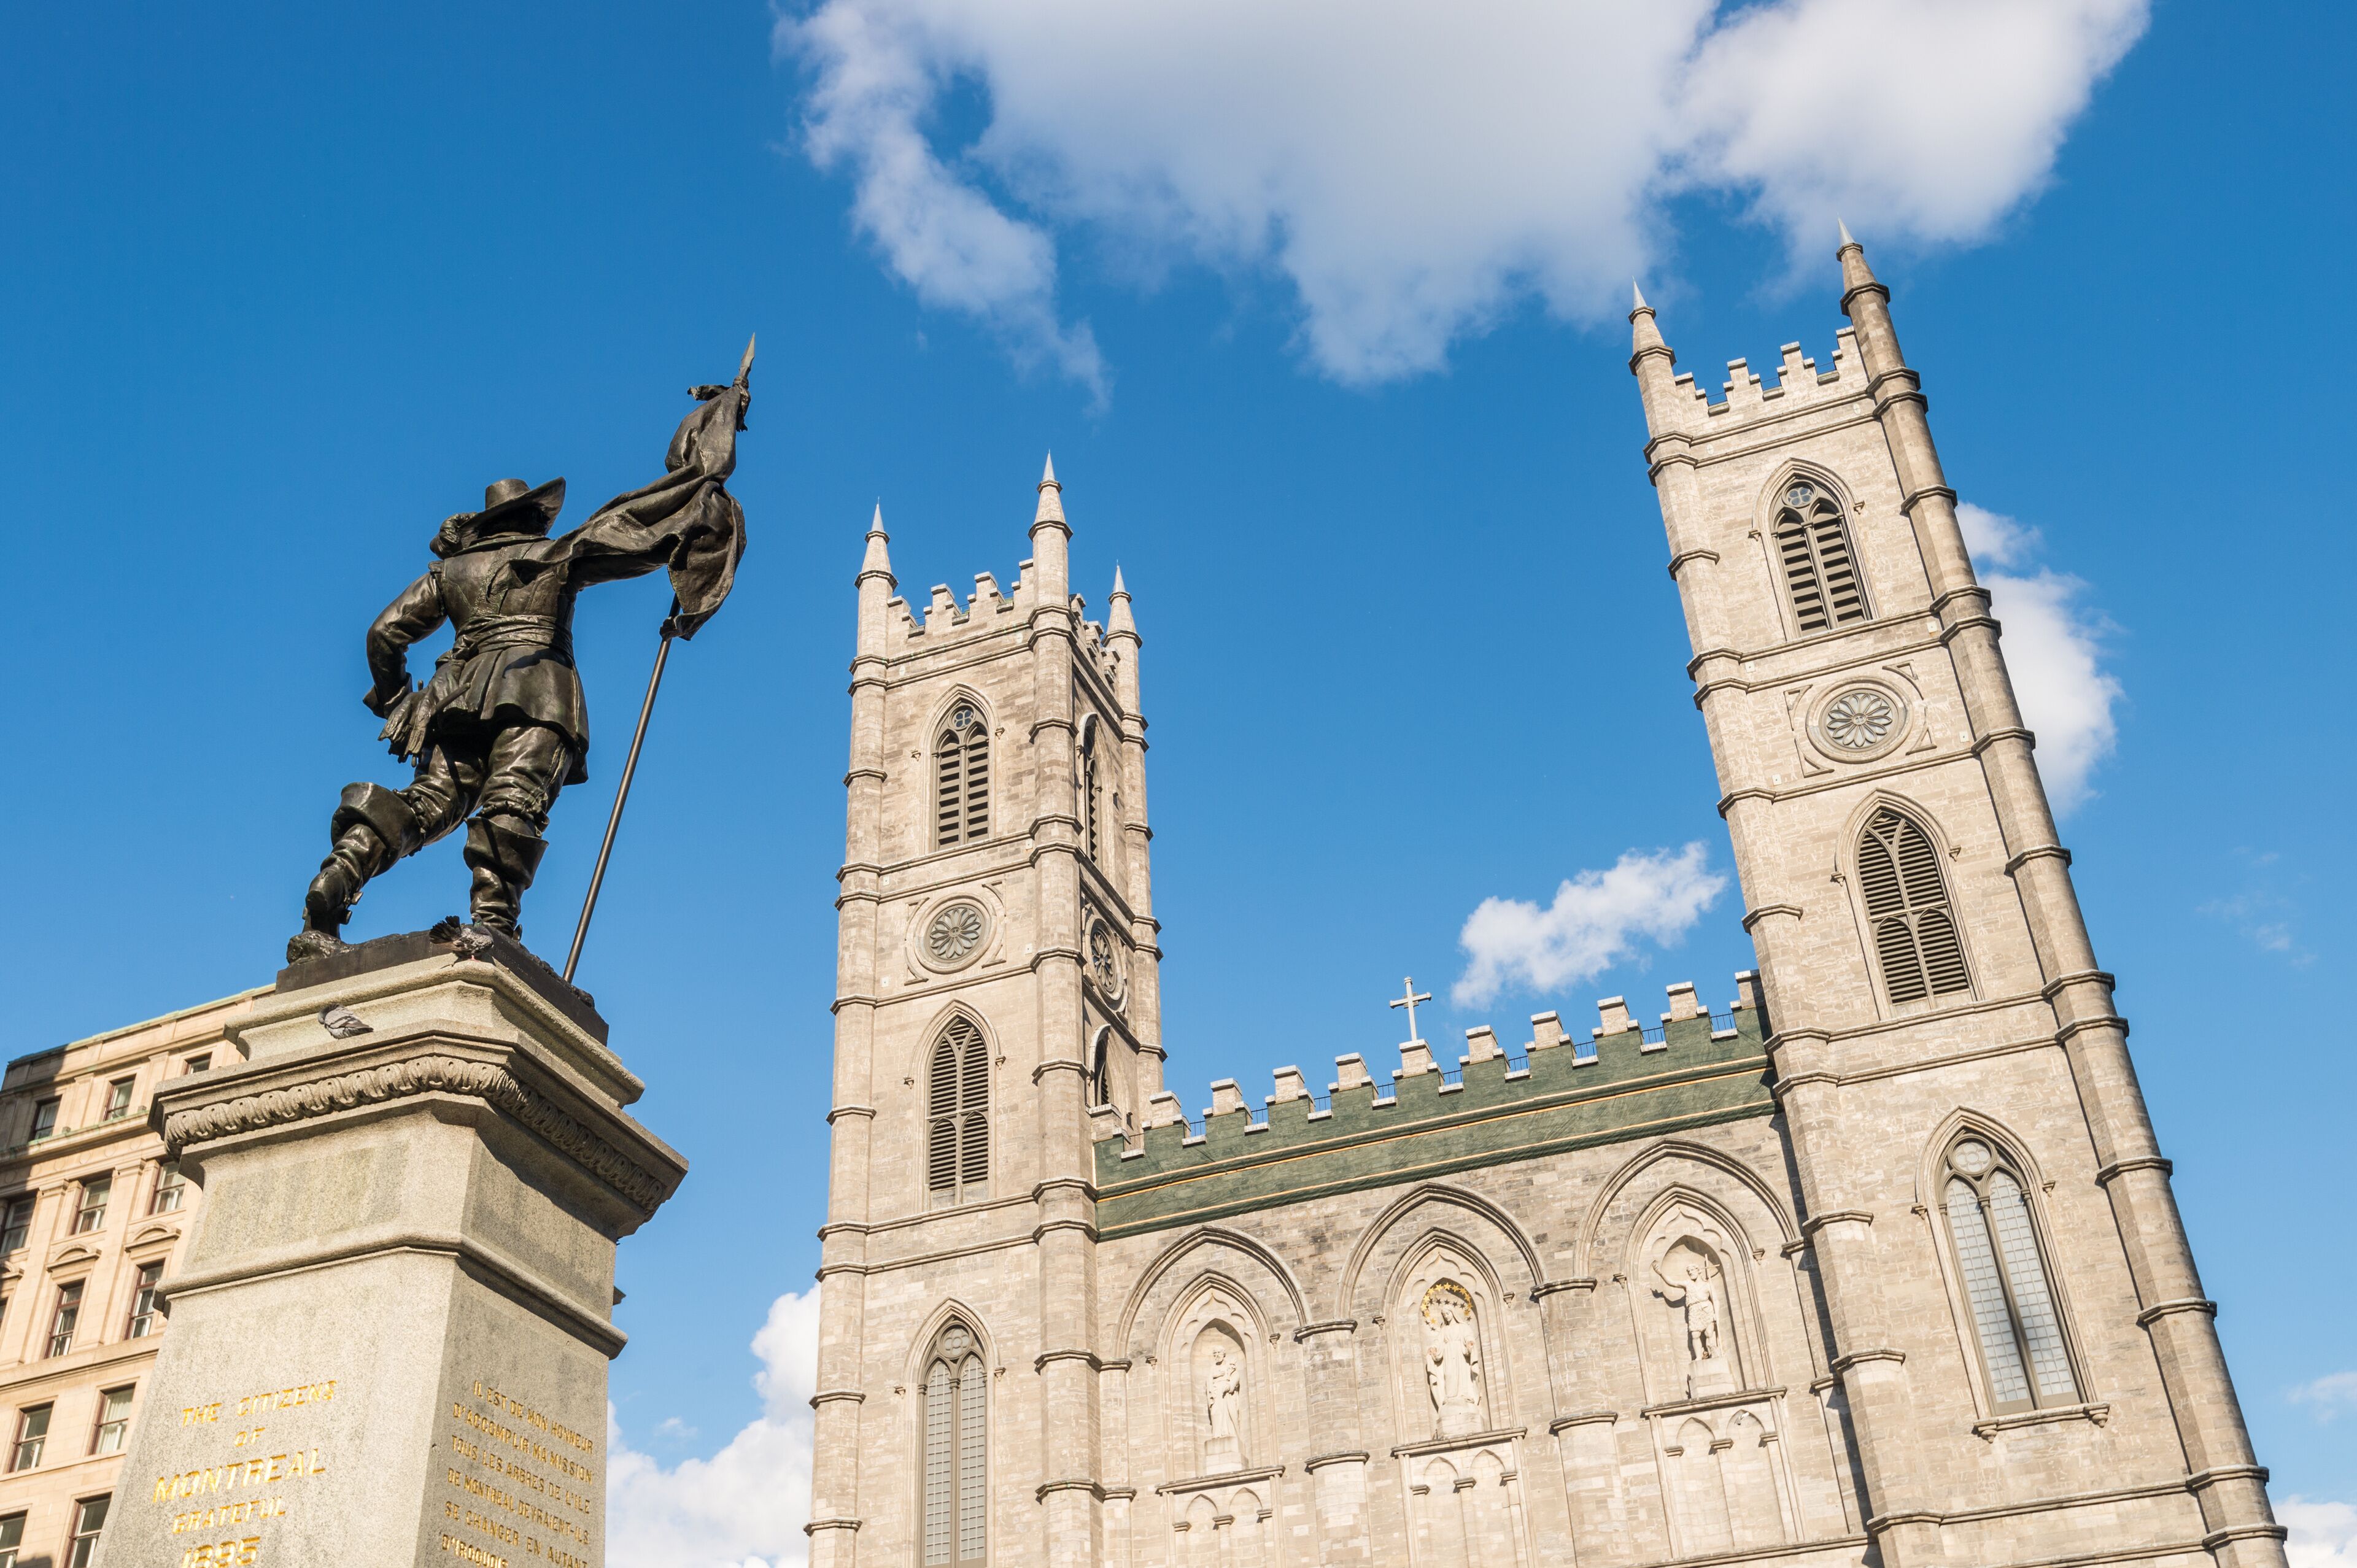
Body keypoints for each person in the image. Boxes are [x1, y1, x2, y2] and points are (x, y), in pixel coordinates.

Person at [288, 361, 750, 960]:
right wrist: (694, 505)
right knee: (514, 798)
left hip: (453, 699)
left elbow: (383, 635)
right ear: (533, 517)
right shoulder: (556, 554)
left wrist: (400, 698)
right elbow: (635, 537)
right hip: (537, 689)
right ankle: (493, 924)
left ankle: (337, 879)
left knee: (426, 804)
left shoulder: (451, 571)